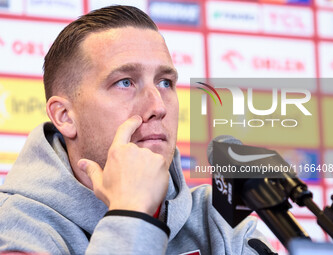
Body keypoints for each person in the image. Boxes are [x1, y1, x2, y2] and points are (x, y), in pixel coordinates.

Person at [0, 5, 276, 255]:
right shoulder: (15, 226)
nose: (158, 106)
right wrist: (131, 214)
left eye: (165, 82)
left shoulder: (216, 218)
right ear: (65, 116)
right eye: (125, 82)